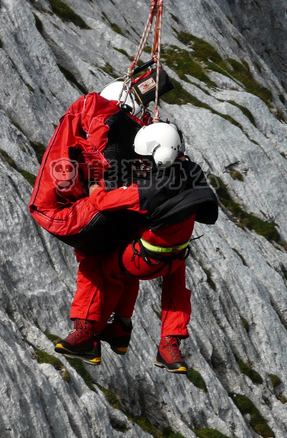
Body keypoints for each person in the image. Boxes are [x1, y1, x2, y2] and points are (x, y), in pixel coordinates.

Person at [55, 122, 219, 373]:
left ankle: (89, 334)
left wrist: (95, 183)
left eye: (145, 160)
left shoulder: (146, 192)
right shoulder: (191, 170)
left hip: (143, 261)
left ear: (158, 156)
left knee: (100, 266)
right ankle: (168, 345)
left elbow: (102, 202)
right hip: (176, 257)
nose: (141, 164)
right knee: (175, 289)